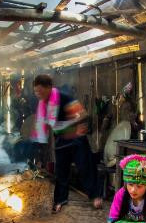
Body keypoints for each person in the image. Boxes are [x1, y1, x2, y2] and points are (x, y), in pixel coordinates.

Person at [31, 74, 102, 212]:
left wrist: (73, 125)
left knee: (85, 168)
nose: (38, 94)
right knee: (61, 172)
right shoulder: (42, 104)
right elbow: (43, 124)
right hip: (61, 141)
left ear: (49, 88)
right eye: (36, 91)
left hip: (76, 140)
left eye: (40, 91)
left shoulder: (64, 97)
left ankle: (95, 196)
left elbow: (82, 114)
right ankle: (60, 200)